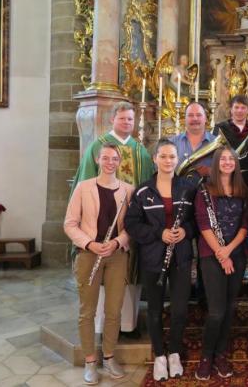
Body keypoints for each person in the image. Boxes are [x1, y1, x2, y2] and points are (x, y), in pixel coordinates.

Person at [71, 101, 154, 339]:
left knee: (130, 272)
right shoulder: (97, 148)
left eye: (130, 119)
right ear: (112, 120)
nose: (126, 123)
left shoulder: (141, 152)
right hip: (97, 228)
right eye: (122, 118)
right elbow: (84, 184)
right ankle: (99, 327)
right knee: (98, 277)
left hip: (129, 231)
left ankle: (127, 324)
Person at [124, 140, 197, 382]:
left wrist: (185, 230)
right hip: (154, 257)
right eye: (163, 156)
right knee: (154, 310)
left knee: (179, 309)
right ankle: (159, 355)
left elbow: (197, 221)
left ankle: (174, 352)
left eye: (172, 157)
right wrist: (160, 233)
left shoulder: (188, 187)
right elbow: (132, 224)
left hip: (181, 257)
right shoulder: (143, 191)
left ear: (177, 159)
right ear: (155, 158)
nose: (168, 161)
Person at [64, 143, 134, 385]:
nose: (110, 162)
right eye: (105, 158)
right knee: (87, 311)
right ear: (98, 160)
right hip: (89, 255)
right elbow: (70, 224)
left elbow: (131, 227)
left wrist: (117, 242)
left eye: (114, 158)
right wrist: (89, 244)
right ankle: (90, 361)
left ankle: (110, 356)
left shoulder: (128, 190)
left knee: (113, 311)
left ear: (119, 161)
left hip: (116, 255)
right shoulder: (83, 188)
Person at [192, 147, 248, 380]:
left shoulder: (243, 190)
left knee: (229, 308)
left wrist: (229, 251)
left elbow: (245, 225)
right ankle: (207, 356)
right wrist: (220, 253)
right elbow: (203, 224)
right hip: (211, 254)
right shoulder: (204, 191)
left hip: (235, 254)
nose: (227, 162)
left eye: (231, 159)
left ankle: (221, 355)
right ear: (216, 164)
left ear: (236, 163)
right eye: (223, 159)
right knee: (216, 311)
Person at [169, 101, 215, 181]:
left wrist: (210, 171)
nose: (195, 118)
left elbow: (227, 171)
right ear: (185, 119)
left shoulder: (216, 142)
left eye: (199, 115)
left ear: (205, 119)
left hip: (209, 192)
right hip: (178, 192)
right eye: (190, 115)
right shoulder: (172, 143)